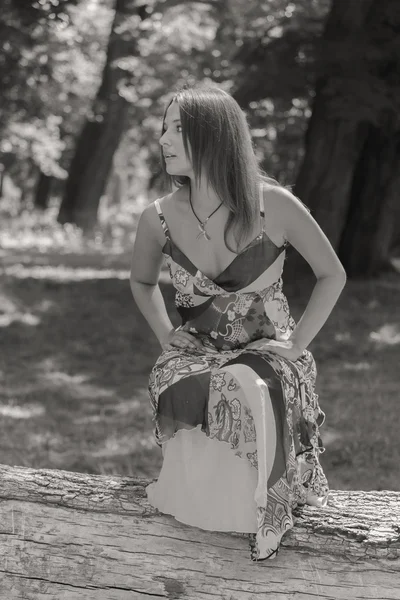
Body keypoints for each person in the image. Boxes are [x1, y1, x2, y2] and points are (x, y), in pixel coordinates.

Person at [130, 83, 347, 562]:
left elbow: (333, 274)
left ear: (215, 136)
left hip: (267, 354)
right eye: (163, 128)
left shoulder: (274, 205)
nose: (164, 139)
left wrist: (297, 344)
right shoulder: (157, 219)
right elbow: (141, 283)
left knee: (248, 382)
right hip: (198, 352)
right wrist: (168, 334)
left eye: (178, 129)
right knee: (188, 376)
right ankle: (205, 510)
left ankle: (271, 508)